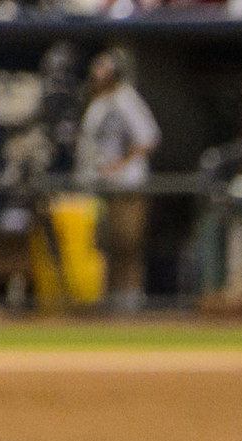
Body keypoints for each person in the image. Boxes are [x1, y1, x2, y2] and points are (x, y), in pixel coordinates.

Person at [77, 51, 158, 312]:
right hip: (101, 186)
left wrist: (121, 164)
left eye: (103, 69)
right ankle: (110, 301)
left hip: (128, 186)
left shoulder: (126, 98)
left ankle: (130, 302)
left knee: (128, 246)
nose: (97, 74)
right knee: (104, 246)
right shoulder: (97, 103)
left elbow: (148, 138)